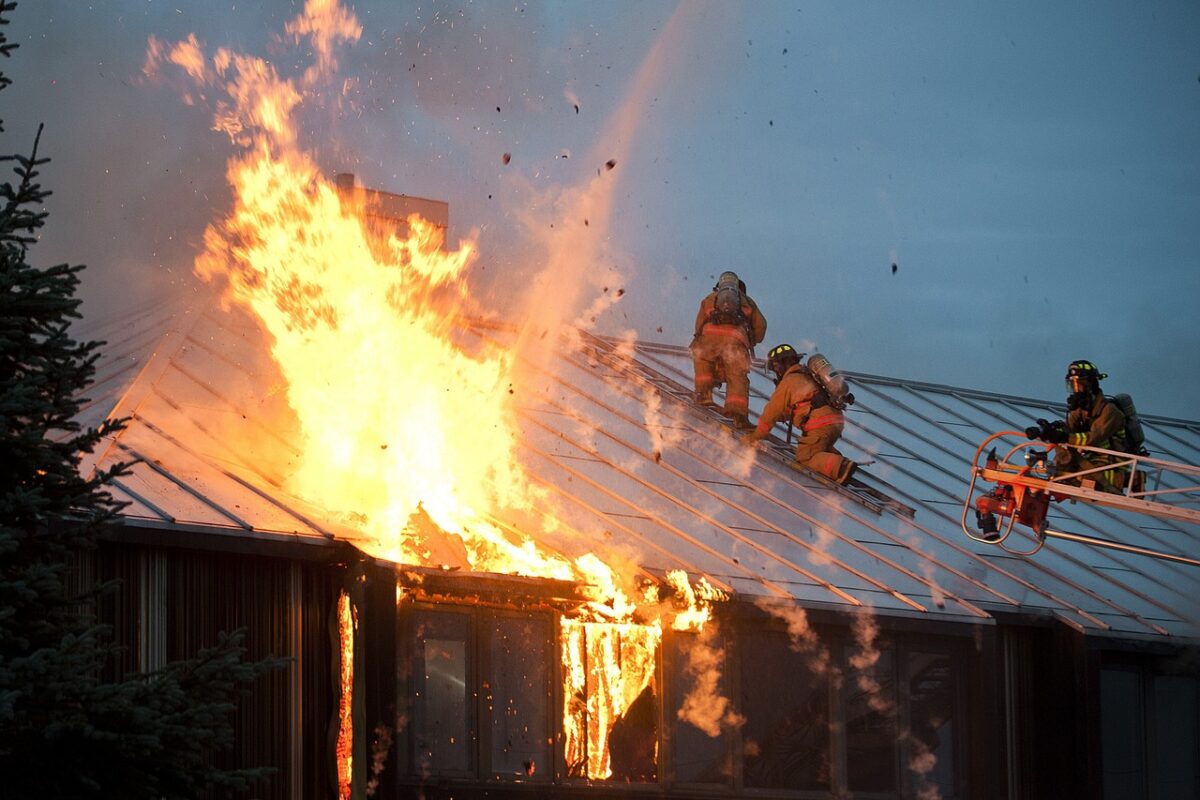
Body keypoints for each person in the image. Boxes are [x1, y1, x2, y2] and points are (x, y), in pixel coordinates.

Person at [742, 343, 857, 485]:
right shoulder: (808, 376)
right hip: (834, 421)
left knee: (805, 457)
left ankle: (840, 466)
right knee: (817, 446)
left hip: (820, 424)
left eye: (776, 368)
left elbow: (770, 413)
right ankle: (832, 458)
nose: (776, 372)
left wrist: (755, 436)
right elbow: (798, 408)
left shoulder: (789, 381)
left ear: (782, 365)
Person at [1025, 359, 1129, 492]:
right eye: (1072, 385)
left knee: (1082, 478)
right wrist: (1047, 431)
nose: (1076, 390)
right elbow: (1069, 429)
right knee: (1065, 469)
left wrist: (1063, 436)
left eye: (1080, 384)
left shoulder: (1110, 411)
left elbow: (1092, 437)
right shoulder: (1082, 409)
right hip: (1092, 457)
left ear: (1092, 385)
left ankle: (1130, 480)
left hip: (1111, 461)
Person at [690, 270, 767, 430]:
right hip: (735, 340)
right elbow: (761, 327)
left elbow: (699, 324)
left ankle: (704, 395)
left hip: (709, 337)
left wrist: (702, 339)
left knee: (703, 361)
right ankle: (736, 414)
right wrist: (751, 340)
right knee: (737, 376)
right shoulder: (748, 302)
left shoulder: (710, 298)